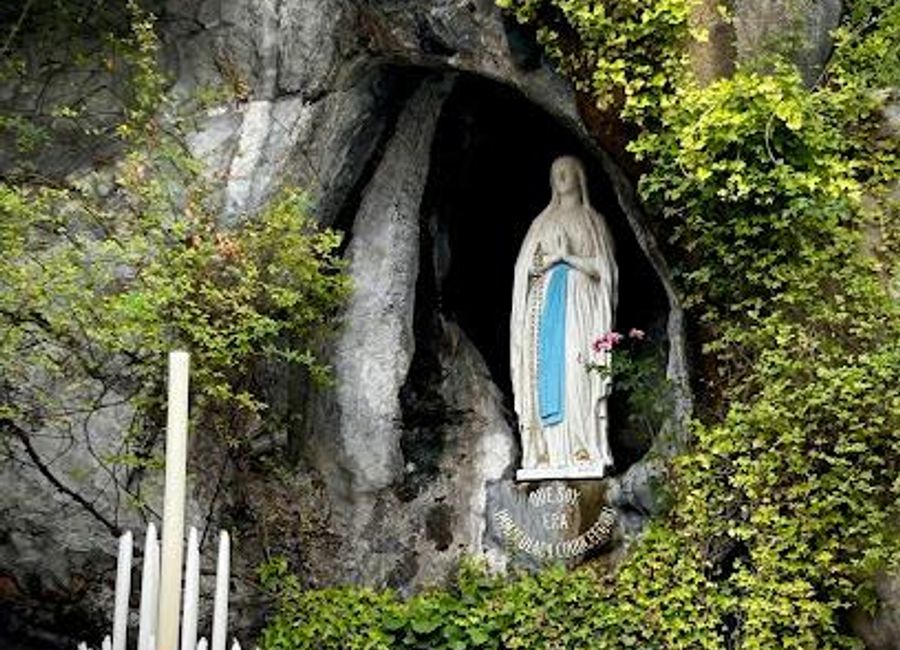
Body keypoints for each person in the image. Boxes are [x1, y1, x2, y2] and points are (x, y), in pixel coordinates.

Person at [510, 156, 618, 479]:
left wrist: (567, 257)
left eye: (566, 171)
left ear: (579, 177)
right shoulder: (540, 224)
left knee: (576, 369)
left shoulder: (592, 221)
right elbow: (523, 270)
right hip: (544, 309)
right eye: (555, 172)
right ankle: (547, 452)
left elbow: (605, 269)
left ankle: (583, 446)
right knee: (544, 374)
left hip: (579, 308)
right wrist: (542, 264)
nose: (560, 176)